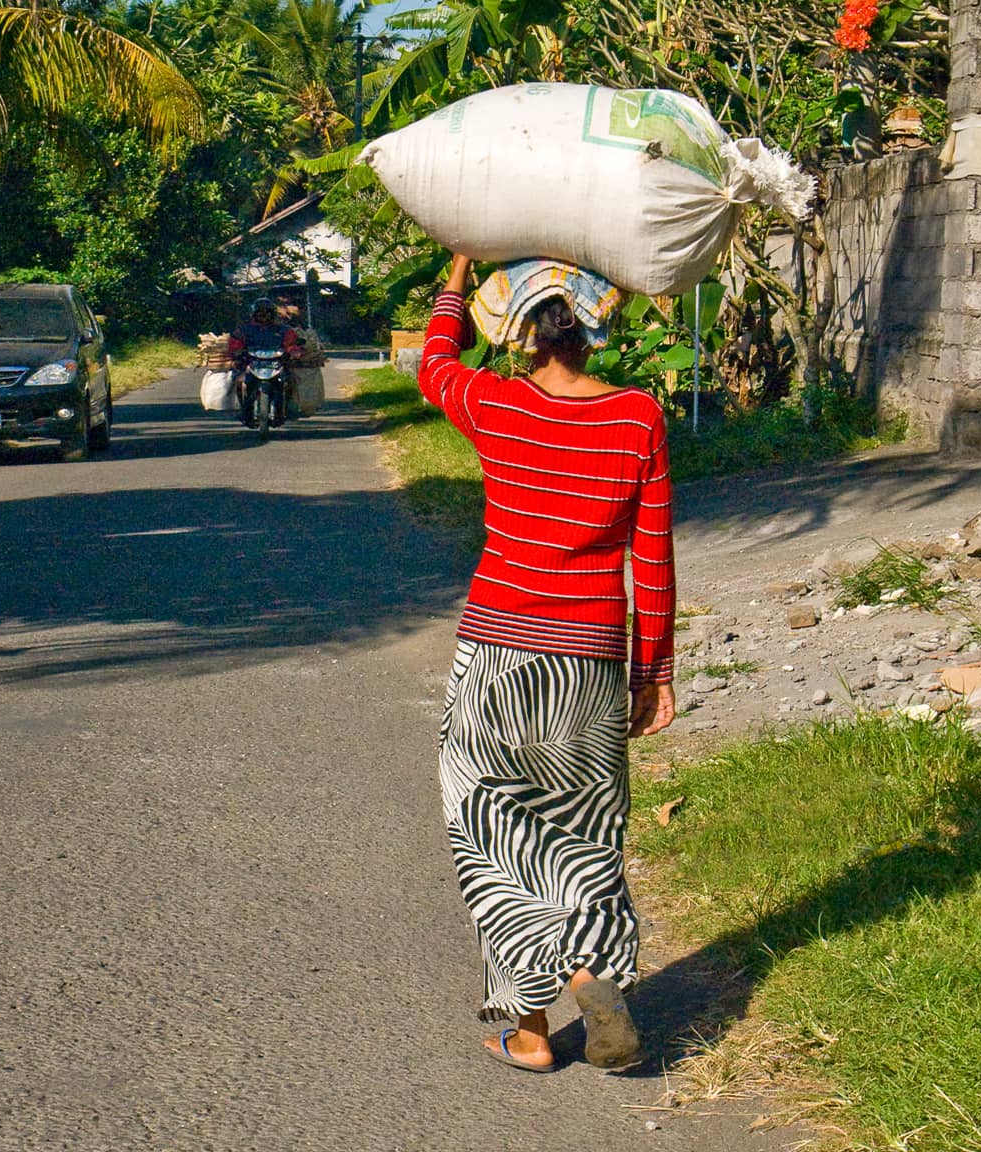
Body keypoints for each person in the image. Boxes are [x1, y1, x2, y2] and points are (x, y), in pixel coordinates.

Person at [420, 252, 676, 1074]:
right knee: (587, 834)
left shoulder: (495, 402)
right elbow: (654, 556)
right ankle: (593, 966)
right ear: (600, 329)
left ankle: (529, 1028)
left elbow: (434, 364)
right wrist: (655, 671)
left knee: (493, 832)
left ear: (523, 330)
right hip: (590, 664)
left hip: (497, 651)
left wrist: (456, 282)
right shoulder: (639, 417)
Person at [227, 297, 302, 426]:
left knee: (290, 381)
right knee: (239, 381)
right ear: (254, 314)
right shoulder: (244, 329)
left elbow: (291, 343)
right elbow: (235, 343)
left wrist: (293, 351)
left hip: (277, 363)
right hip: (251, 363)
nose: (263, 316)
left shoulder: (283, 330)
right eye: (260, 312)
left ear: (272, 314)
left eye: (267, 312)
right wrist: (238, 351)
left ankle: (288, 408)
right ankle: (244, 410)